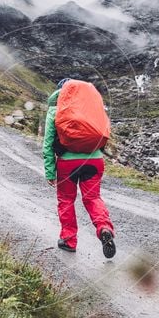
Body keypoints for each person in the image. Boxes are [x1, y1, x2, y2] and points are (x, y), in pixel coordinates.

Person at [42, 78, 116, 258]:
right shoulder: (91, 109)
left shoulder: (54, 110)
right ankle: (104, 228)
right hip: (95, 160)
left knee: (66, 200)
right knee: (93, 198)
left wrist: (50, 172)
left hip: (68, 163)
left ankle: (69, 240)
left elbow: (48, 145)